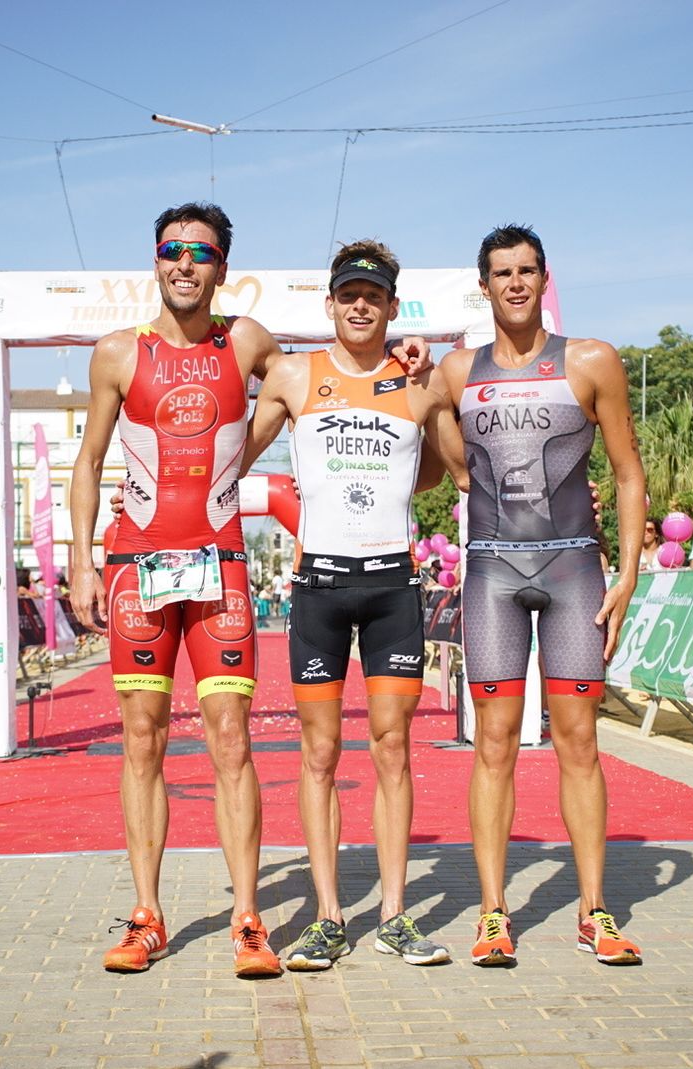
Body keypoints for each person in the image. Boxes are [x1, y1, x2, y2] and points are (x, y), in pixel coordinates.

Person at [69, 203, 429, 977]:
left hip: (221, 561)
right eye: (172, 250)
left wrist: (399, 355)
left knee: (231, 739)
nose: (185, 264)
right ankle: (146, 915)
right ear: (155, 259)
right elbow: (89, 461)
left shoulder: (250, 342)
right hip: (137, 562)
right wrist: (80, 561)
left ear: (222, 267)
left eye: (200, 253)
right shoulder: (115, 353)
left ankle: (248, 919)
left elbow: (330, 377)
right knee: (142, 737)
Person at [242, 240, 464, 970]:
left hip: (393, 586)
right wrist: (143, 494)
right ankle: (329, 916)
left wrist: (433, 381)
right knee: (319, 753)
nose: (360, 306)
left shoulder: (419, 382)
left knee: (393, 748)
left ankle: (396, 915)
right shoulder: (294, 375)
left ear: (393, 306)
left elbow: (455, 472)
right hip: (320, 590)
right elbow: (232, 458)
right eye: (348, 295)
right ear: (330, 304)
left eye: (373, 296)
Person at [437, 224, 646, 967]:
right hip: (493, 570)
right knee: (492, 744)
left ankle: (594, 910)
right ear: (484, 286)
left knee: (578, 740)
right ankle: (493, 913)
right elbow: (445, 455)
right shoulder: (455, 371)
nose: (516, 284)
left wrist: (627, 574)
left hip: (572, 570)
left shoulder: (590, 360)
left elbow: (627, 470)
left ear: (544, 278)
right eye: (503, 273)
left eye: (527, 271)